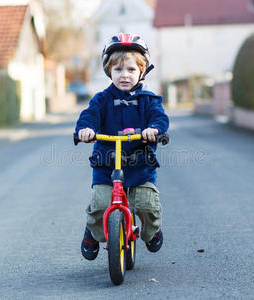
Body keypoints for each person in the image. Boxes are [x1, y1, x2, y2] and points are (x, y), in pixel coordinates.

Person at [75, 33, 169, 260]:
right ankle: (93, 232)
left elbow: (159, 118)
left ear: (142, 71)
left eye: (131, 70)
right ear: (109, 72)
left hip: (140, 165)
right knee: (99, 204)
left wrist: (154, 129)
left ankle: (152, 231)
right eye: (118, 70)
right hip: (107, 164)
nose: (124, 75)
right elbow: (89, 116)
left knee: (147, 205)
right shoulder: (102, 99)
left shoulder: (149, 99)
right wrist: (85, 129)